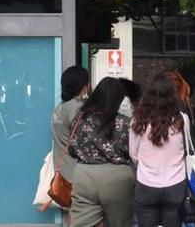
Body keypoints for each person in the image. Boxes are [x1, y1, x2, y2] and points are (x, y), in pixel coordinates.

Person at [69, 77, 135, 227]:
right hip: (117, 177)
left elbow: (72, 149)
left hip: (84, 175)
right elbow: (133, 151)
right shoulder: (124, 122)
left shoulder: (80, 119)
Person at [130, 74, 187, 227]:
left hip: (146, 183)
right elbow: (188, 149)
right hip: (176, 183)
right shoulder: (181, 120)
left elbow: (133, 154)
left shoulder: (138, 121)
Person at [42, 66, 91, 212]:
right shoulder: (78, 108)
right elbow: (85, 141)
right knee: (87, 215)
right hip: (79, 173)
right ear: (83, 85)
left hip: (63, 173)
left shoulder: (59, 108)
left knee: (73, 213)